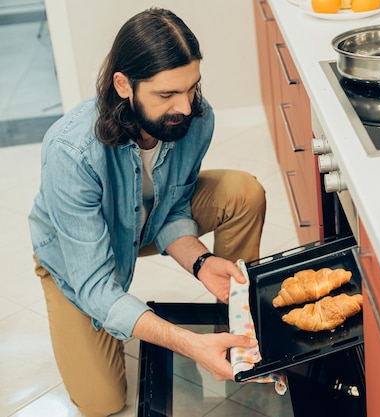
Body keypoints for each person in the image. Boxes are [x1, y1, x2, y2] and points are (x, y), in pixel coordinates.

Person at [28, 8, 265, 417]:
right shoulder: (70, 151)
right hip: (77, 256)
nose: (186, 107)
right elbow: (96, 284)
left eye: (191, 88)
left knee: (243, 192)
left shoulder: (195, 120)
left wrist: (202, 262)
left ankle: (240, 320)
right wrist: (189, 343)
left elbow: (172, 209)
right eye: (166, 95)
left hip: (147, 221)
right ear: (124, 85)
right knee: (102, 402)